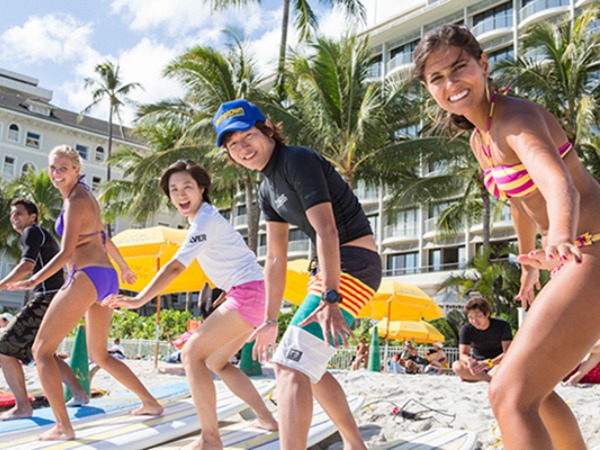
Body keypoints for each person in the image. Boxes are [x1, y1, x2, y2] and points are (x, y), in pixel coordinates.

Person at [414, 24, 600, 450]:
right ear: (428, 88)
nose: (450, 84)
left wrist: (560, 236)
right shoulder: (480, 139)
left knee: (509, 396)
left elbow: (559, 186)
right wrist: (529, 262)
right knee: (525, 386)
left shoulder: (515, 118)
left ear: (483, 65)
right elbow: (519, 199)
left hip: (591, 248)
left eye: (459, 68)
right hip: (576, 255)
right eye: (436, 78)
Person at [213, 99, 382, 450]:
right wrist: (270, 319)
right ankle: (355, 444)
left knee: (288, 365)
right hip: (334, 267)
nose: (243, 149)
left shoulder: (296, 160)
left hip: (351, 262)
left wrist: (330, 296)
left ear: (267, 130)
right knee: (308, 365)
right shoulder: (266, 187)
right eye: (233, 146)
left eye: (247, 136)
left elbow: (327, 231)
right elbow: (275, 259)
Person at [103, 160, 277, 449]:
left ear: (202, 189)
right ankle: (266, 419)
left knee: (191, 356)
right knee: (217, 362)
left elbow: (175, 267)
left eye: (187, 187)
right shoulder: (203, 220)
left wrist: (138, 299)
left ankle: (210, 439)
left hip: (248, 295)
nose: (180, 195)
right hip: (250, 294)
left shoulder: (205, 220)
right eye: (173, 190)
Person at [8, 145, 162, 440]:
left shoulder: (75, 201)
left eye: (63, 168)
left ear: (77, 170)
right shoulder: (86, 197)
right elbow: (104, 237)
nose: (56, 174)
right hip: (105, 277)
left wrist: (35, 279)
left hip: (88, 277)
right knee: (100, 355)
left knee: (41, 351)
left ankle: (63, 427)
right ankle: (151, 403)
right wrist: (123, 268)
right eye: (53, 168)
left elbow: (67, 252)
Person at [0, 198, 88, 420]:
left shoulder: (32, 232)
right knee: (41, 352)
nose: (15, 218)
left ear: (32, 216)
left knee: (3, 349)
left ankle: (23, 406)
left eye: (19, 213)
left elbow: (27, 266)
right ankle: (80, 394)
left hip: (46, 298)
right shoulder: (39, 235)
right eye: (12, 214)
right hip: (55, 296)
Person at [452, 297, 512, 382]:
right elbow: (463, 354)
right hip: (478, 364)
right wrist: (469, 361)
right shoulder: (466, 329)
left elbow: (508, 353)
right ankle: (488, 378)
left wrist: (489, 363)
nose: (474, 321)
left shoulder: (502, 326)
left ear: (487, 314)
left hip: (496, 363)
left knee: (504, 368)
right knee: (456, 366)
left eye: (478, 316)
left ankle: (478, 378)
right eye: (470, 317)